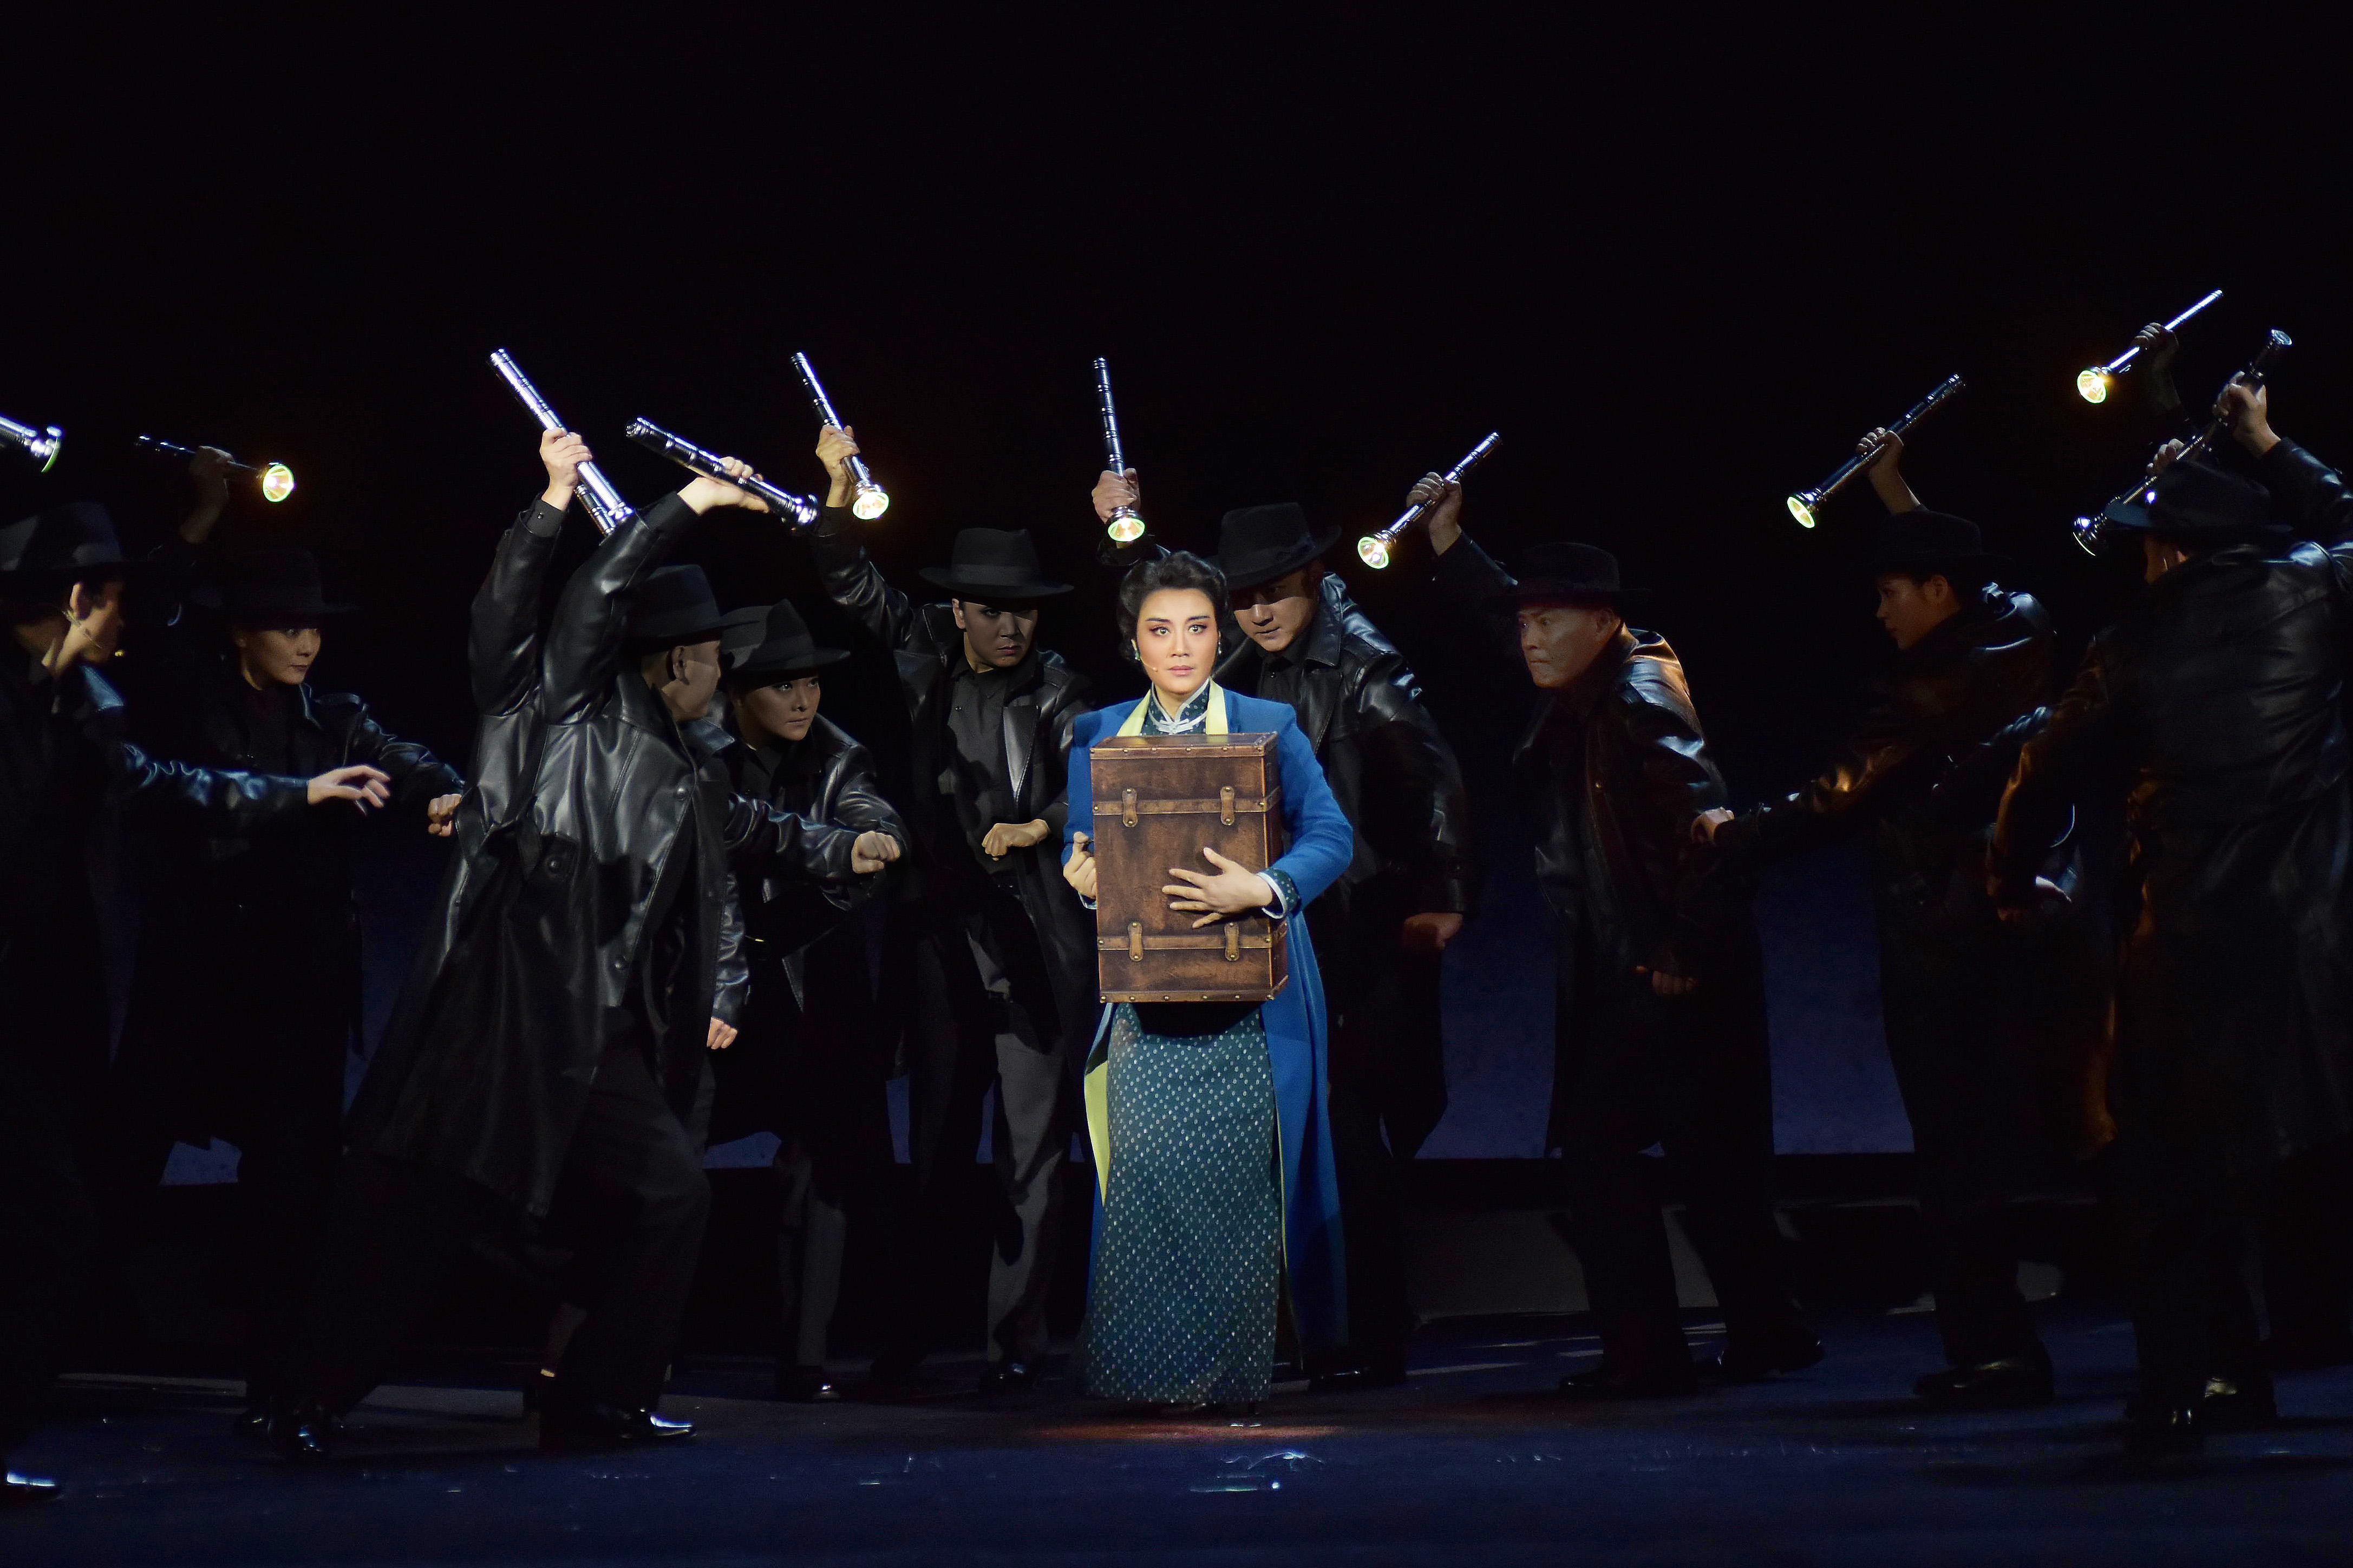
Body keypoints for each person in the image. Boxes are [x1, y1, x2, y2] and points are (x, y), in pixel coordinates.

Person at [280, 437, 840, 1457]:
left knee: (669, 1193)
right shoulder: (575, 710)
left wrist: (848, 851)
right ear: (677, 660)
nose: (724, 675)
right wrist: (688, 501)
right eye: (715, 658)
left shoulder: (688, 764)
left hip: (600, 1027)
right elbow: (589, 597)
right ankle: (307, 1401)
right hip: (508, 1011)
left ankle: (600, 1396)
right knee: (424, 1212)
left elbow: (741, 843)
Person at [1697, 429, 2096, 1409]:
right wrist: (1893, 491)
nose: (1878, 612)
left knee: (1955, 1148)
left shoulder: (1923, 688)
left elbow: (1837, 797)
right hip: (2034, 913)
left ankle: (1995, 1352)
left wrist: (1729, 836)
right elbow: (1968, 579)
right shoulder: (2026, 626)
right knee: (2056, 1128)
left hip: (1947, 934)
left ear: (1937, 591)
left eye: (1891, 592)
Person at [1990, 382, 2353, 1457]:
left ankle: (2195, 1382)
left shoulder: (2133, 640)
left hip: (2188, 943)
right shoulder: (2319, 587)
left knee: (2164, 1168)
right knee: (2322, 1143)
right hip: (2323, 941)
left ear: (2167, 550)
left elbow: (2040, 770)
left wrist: (2011, 875)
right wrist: (2271, 444)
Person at [1, 501, 388, 1504]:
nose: (126, 623)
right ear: (76, 599)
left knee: (60, 1216)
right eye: (114, 602)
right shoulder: (35, 699)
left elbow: (162, 785)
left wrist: (301, 794)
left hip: (44, 995)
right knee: (68, 1207)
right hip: (143, 989)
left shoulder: (86, 702)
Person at [1421, 497, 1815, 1397]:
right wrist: (1448, 544)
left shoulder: (1637, 698)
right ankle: (1755, 1335)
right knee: (1679, 1161)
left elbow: (1709, 833)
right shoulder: (1586, 678)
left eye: (1546, 620)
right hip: (1625, 960)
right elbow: (1509, 623)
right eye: (1524, 620)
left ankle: (1666, 1351)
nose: (1528, 638)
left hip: (1667, 967)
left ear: (1602, 620)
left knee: (1639, 1157)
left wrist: (1683, 946)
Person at [1091, 470, 1477, 1388]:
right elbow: (1163, 626)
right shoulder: (1236, 650)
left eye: (1275, 592)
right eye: (1244, 597)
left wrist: (1445, 894)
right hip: (1264, 930)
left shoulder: (1363, 665)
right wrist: (1119, 533)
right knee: (1278, 1128)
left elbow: (1433, 781)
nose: (1258, 612)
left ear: (1312, 577)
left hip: (1360, 924)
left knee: (1348, 1127)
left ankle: (1364, 1333)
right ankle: (1294, 1327)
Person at [109, 540, 465, 1434]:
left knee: (294, 1182)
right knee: (121, 1163)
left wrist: (444, 794)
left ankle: (279, 1386)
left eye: (313, 627)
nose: (305, 642)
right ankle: (57, 1344)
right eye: (284, 626)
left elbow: (404, 758)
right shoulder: (193, 705)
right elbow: (183, 791)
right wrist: (301, 794)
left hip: (298, 985)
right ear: (241, 633)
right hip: (202, 977)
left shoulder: (336, 715)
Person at [806, 424, 1096, 1392]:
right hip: (939, 939)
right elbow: (850, 584)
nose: (1013, 628)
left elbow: (1088, 786)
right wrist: (835, 495)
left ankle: (1014, 1342)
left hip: (1032, 943)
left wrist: (1039, 825)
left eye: (1025, 612)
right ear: (960, 610)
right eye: (994, 611)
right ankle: (908, 1339)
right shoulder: (926, 650)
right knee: (932, 1149)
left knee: (1031, 1149)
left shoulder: (1059, 690)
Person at [1060, 550, 1355, 1409]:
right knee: (1149, 1179)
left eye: (1196, 628)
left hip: (1253, 994)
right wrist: (1086, 879)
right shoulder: (1099, 734)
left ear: (1219, 637)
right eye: (1160, 631)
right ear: (1134, 643)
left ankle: (1229, 1378)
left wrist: (1262, 887)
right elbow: (1085, 848)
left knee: (1237, 1185)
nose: (1180, 647)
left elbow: (1330, 835)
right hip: (1149, 997)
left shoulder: (1267, 723)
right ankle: (1146, 1375)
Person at [709, 599, 907, 1400]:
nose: (803, 700)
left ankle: (807, 1357)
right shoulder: (696, 753)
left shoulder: (837, 754)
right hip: (713, 991)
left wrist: (864, 846)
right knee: (653, 1162)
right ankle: (600, 1353)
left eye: (812, 683)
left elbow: (869, 827)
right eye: (782, 685)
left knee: (824, 1169)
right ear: (735, 690)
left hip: (810, 986)